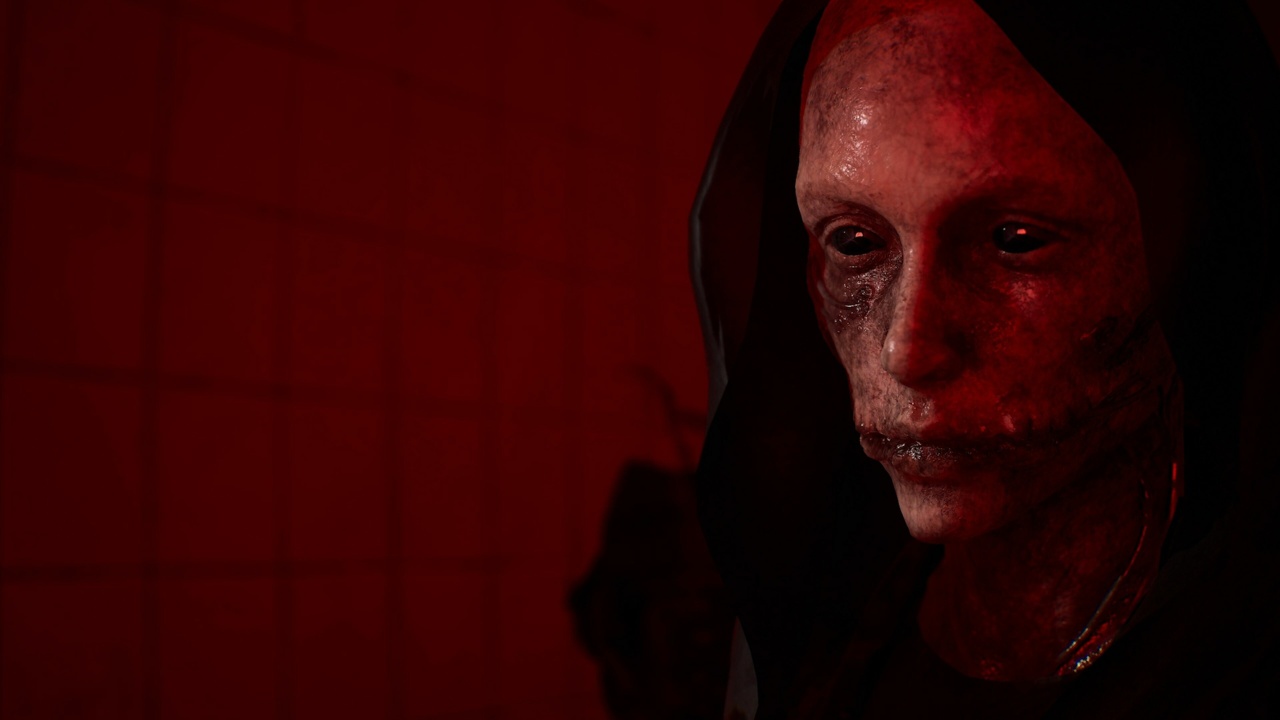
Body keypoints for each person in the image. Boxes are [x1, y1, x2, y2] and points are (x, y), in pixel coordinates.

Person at [690, 0, 1280, 718]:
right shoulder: (839, 651)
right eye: (854, 243)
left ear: (1194, 245)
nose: (908, 349)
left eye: (1016, 239)